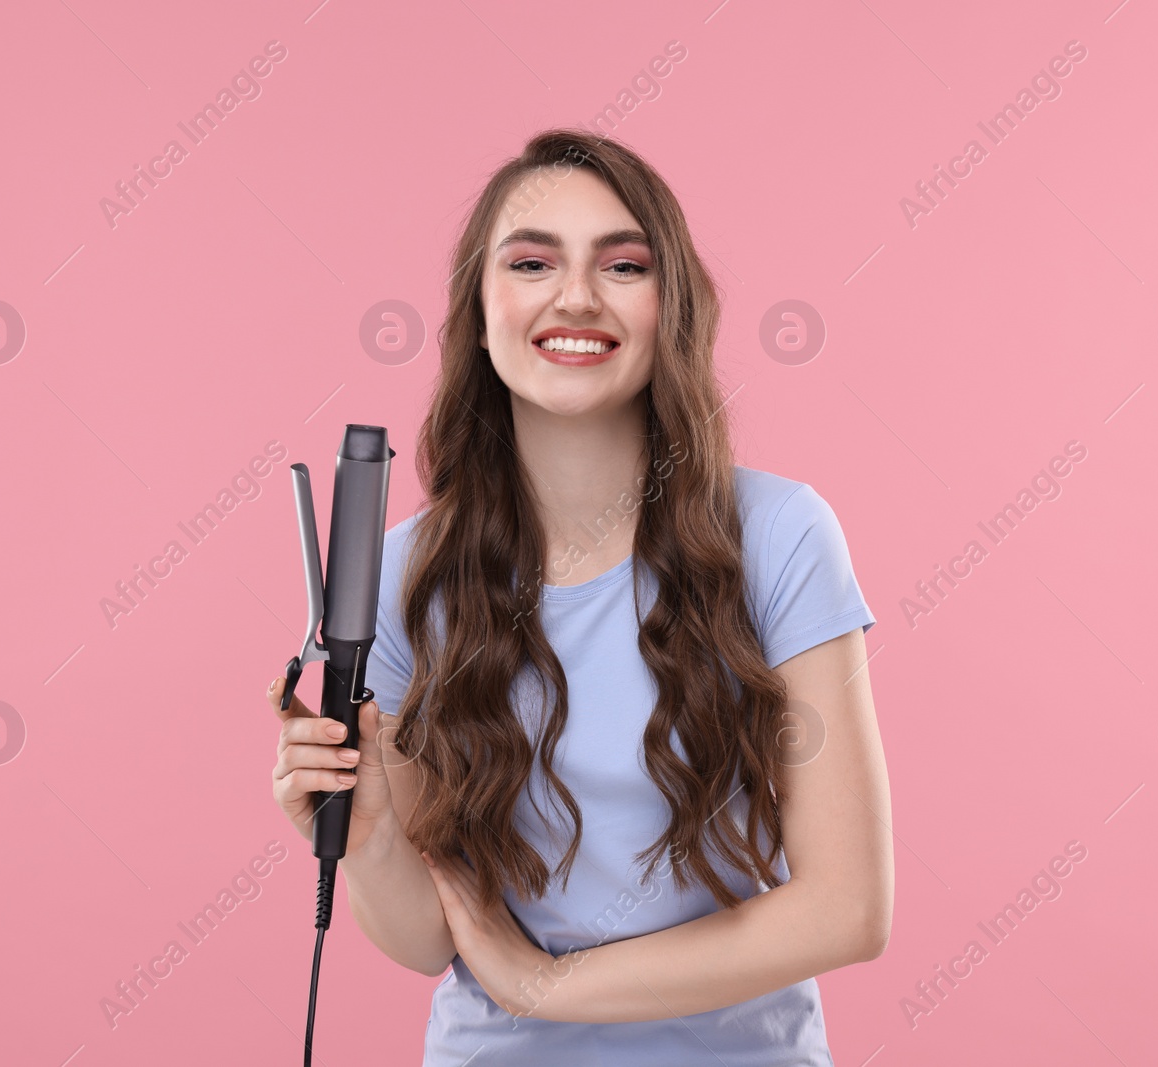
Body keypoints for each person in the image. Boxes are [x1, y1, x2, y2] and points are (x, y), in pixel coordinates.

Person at [269, 128, 893, 1066]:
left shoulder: (779, 536)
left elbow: (847, 908)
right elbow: (426, 939)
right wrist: (369, 838)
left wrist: (545, 987)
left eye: (623, 265)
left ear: (668, 310)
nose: (575, 297)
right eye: (531, 261)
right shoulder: (405, 576)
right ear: (480, 316)